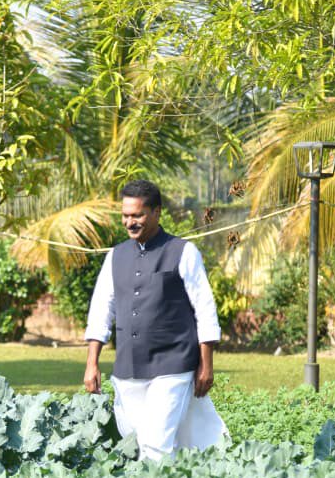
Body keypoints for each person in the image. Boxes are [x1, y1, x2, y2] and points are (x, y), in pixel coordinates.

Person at [83, 179, 228, 460]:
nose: (129, 222)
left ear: (156, 212)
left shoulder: (184, 252)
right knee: (138, 443)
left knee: (155, 444)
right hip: (127, 369)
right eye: (125, 215)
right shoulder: (114, 256)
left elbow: (205, 309)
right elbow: (101, 309)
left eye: (137, 215)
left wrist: (206, 365)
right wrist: (92, 364)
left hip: (173, 365)